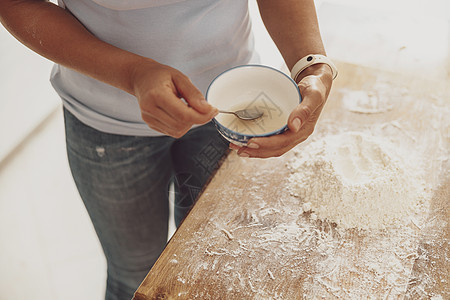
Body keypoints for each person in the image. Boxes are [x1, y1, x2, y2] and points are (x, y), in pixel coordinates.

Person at [0, 0, 334, 299]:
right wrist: (132, 73)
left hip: (229, 110)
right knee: (135, 277)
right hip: (106, 124)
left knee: (208, 258)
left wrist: (310, 63)